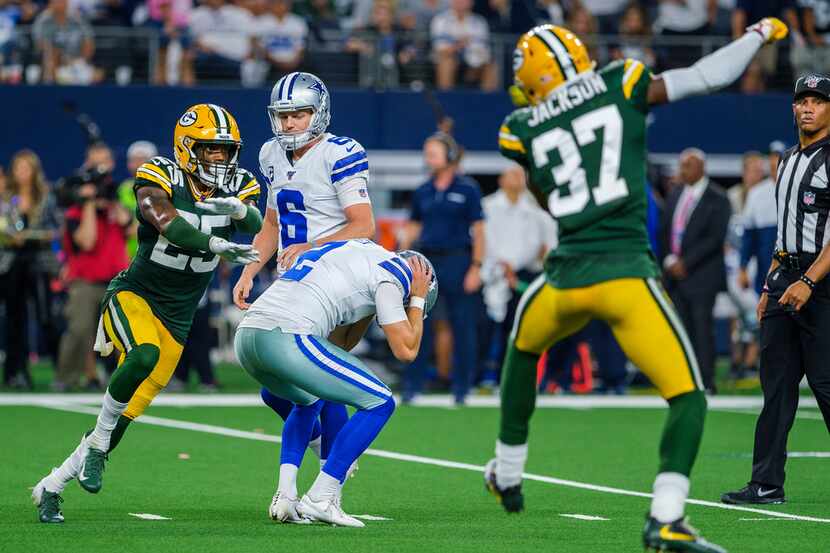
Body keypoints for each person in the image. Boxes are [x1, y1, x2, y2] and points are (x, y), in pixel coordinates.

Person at [485, 19, 788, 552]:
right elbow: (704, 75)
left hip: (563, 279)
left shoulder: (520, 126)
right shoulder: (620, 80)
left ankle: (508, 471)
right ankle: (667, 516)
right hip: (624, 275)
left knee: (521, 350)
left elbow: (547, 196)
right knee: (689, 397)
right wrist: (757, 35)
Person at [32, 103, 263, 524]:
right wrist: (212, 243)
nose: (220, 159)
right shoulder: (160, 172)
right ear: (187, 147)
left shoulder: (239, 183)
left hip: (179, 315)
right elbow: (166, 220)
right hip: (136, 292)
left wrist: (233, 210)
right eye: (211, 150)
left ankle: (51, 485)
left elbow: (255, 219)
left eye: (225, 150)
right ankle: (97, 447)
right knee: (142, 355)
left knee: (124, 415)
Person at [233, 71, 377, 519]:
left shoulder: (341, 152)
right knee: (277, 390)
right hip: (291, 282)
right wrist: (250, 269)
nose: (291, 123)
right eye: (284, 115)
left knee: (321, 383)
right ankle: (323, 450)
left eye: (299, 114)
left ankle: (325, 484)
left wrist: (311, 247)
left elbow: (363, 225)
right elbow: (272, 223)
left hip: (336, 277)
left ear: (319, 113)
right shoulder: (271, 153)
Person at [235, 240, 437, 526]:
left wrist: (372, 312)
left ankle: (286, 496)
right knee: (380, 401)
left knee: (309, 398)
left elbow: (339, 344)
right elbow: (406, 350)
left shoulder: (363, 256)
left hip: (248, 336)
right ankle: (322, 496)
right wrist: (416, 300)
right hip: (288, 334)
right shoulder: (394, 274)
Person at [721, 74, 830, 506]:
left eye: (818, 101)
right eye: (802, 100)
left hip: (821, 286)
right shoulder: (785, 161)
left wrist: (809, 280)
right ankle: (766, 483)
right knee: (777, 389)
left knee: (825, 384)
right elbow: (784, 234)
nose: (808, 107)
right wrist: (771, 282)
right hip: (784, 280)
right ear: (792, 108)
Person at [400, 132, 484, 404]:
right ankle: (412, 386)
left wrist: (476, 267)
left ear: (449, 156)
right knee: (418, 320)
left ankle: (461, 388)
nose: (428, 159)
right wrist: (400, 254)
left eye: (432, 153)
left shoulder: (468, 189)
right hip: (427, 262)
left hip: (459, 260)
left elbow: (480, 231)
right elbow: (413, 226)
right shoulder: (423, 190)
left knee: (463, 326)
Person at [55, 142, 132, 391]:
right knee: (80, 329)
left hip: (117, 278)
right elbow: (87, 241)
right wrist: (88, 202)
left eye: (105, 160)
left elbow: (131, 230)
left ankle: (127, 379)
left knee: (124, 333)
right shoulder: (76, 207)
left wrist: (112, 203)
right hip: (85, 279)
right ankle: (67, 377)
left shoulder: (114, 198)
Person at [660, 149, 732, 394]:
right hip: (675, 277)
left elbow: (714, 238)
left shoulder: (718, 198)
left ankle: (706, 382)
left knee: (702, 331)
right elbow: (667, 231)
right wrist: (670, 260)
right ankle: (685, 382)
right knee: (682, 331)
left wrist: (685, 263)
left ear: (701, 168)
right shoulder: (676, 194)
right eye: (681, 166)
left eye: (687, 166)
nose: (682, 171)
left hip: (702, 276)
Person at [480, 163, 556, 386]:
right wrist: (501, 266)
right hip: (490, 272)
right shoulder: (487, 206)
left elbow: (535, 243)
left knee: (515, 329)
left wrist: (513, 267)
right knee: (484, 328)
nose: (517, 179)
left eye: (521, 175)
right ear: (501, 180)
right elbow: (485, 239)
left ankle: (508, 377)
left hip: (521, 276)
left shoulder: (534, 212)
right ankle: (481, 374)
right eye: (512, 174)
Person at [0, 149, 61, 390]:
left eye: (27, 168)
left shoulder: (46, 195)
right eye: (18, 168)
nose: (22, 173)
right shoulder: (7, 197)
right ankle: (16, 373)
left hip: (40, 260)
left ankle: (62, 371)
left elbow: (57, 227)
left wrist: (36, 235)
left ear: (34, 170)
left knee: (47, 316)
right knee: (15, 318)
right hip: (12, 262)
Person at [117, 140, 158, 259]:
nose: (138, 164)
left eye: (143, 159)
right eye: (133, 160)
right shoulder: (122, 189)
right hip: (124, 259)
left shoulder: (163, 189)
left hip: (152, 257)